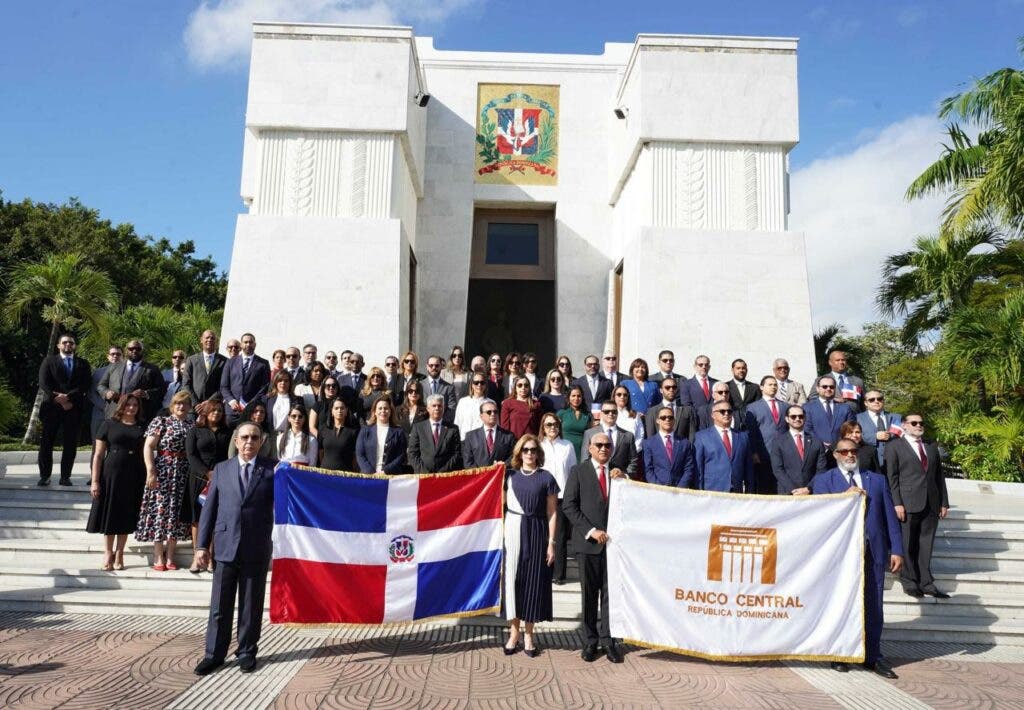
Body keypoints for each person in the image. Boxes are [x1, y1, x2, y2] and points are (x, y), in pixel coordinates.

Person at [811, 438, 903, 679]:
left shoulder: (877, 480)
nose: (850, 455)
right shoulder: (823, 481)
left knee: (874, 605)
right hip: (840, 554)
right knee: (840, 602)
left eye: (853, 451)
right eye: (844, 451)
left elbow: (889, 518)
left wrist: (897, 549)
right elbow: (820, 516)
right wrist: (844, 496)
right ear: (836, 455)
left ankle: (873, 656)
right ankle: (839, 654)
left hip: (873, 551)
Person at [193, 422, 277, 676]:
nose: (249, 442)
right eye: (244, 437)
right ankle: (214, 654)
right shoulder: (221, 469)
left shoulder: (273, 470)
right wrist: (201, 546)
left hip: (256, 546)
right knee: (220, 604)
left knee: (251, 604)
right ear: (236, 441)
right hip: (225, 546)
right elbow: (209, 510)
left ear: (260, 442)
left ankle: (247, 652)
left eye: (254, 437)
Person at [562, 432, 626, 663]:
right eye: (598, 445)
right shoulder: (578, 472)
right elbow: (569, 506)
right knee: (589, 596)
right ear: (589, 448)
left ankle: (609, 642)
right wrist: (591, 531)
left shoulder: (618, 474)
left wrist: (625, 479)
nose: (603, 449)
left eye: (607, 445)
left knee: (610, 597)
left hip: (612, 547)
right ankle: (590, 642)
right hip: (587, 544)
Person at [503, 435, 559, 658]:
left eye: (533, 450)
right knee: (513, 582)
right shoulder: (510, 474)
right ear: (519, 452)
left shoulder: (547, 478)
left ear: (538, 453)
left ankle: (529, 635)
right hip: (514, 529)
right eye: (525, 450)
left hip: (537, 531)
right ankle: (513, 633)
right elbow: (498, 502)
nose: (529, 453)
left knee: (533, 583)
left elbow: (553, 512)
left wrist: (551, 543)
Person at [885, 414, 950, 599]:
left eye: (921, 423)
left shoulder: (930, 446)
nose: (918, 426)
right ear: (904, 425)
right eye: (914, 423)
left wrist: (944, 502)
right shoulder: (894, 447)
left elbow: (939, 476)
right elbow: (892, 478)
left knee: (926, 544)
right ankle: (909, 581)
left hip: (931, 502)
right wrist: (897, 502)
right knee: (908, 543)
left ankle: (926, 582)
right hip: (907, 502)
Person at [86, 394, 145, 570]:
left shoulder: (143, 426)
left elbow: (146, 451)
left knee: (126, 513)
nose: (132, 408)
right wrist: (95, 481)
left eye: (135, 405)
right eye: (128, 405)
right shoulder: (108, 424)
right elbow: (97, 455)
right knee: (110, 512)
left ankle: (120, 552)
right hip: (110, 473)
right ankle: (108, 552)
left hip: (134, 473)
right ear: (121, 406)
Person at [137, 390, 194, 571]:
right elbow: (148, 446)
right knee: (160, 511)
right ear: (172, 405)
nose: (181, 406)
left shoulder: (192, 425)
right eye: (178, 403)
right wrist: (150, 470)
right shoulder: (161, 421)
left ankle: (170, 556)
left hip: (183, 472)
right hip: (163, 470)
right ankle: (157, 555)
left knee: (176, 514)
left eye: (185, 403)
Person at [37, 333, 92, 486]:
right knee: (46, 443)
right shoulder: (49, 361)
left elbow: (86, 384)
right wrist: (59, 398)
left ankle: (65, 477)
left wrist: (69, 398)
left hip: (73, 408)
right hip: (52, 408)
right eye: (65, 342)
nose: (68, 345)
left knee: (70, 444)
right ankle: (45, 476)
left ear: (75, 346)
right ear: (59, 345)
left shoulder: (83, 363)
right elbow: (44, 383)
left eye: (71, 343)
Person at [185, 397, 231, 573]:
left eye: (220, 410)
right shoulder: (195, 431)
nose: (217, 413)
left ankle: (210, 557)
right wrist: (207, 472)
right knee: (197, 519)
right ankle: (197, 557)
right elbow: (191, 455)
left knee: (215, 518)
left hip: (221, 479)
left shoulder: (227, 432)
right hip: (199, 479)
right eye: (214, 410)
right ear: (206, 411)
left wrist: (218, 474)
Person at [538, 412, 577, 584]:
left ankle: (558, 574)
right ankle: (542, 572)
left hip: (561, 496)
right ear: (543, 428)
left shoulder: (567, 446)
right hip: (540, 496)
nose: (552, 427)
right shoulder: (538, 446)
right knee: (542, 535)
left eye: (555, 424)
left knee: (559, 537)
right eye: (548, 425)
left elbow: (573, 472)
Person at [98, 339, 165, 425]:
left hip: (139, 415)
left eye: (138, 349)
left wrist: (146, 393)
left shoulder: (153, 369)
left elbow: (162, 390)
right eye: (131, 348)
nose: (134, 351)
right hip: (114, 412)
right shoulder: (114, 366)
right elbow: (101, 385)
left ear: (142, 351)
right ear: (126, 350)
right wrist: (106, 393)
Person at [693, 401, 754, 493]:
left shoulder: (743, 436)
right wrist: (699, 493)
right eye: (722, 411)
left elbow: (748, 468)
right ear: (713, 415)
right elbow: (698, 469)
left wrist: (749, 493)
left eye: (729, 411)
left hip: (736, 492)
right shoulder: (701, 437)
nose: (726, 414)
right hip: (712, 491)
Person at [768, 405, 827, 495]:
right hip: (788, 494)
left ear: (805, 418)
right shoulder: (778, 442)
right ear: (787, 419)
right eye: (793, 416)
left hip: (811, 493)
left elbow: (821, 469)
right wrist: (793, 490)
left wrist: (808, 488)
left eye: (801, 416)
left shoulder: (816, 442)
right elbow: (778, 469)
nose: (797, 419)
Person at [746, 376, 790, 493]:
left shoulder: (785, 406)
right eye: (770, 384)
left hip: (783, 452)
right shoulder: (752, 407)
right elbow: (751, 432)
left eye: (775, 385)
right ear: (761, 387)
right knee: (764, 486)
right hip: (763, 453)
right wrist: (754, 452)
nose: (773, 387)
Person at [220, 333, 271, 426]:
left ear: (255, 344)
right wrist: (231, 400)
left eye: (250, 342)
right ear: (241, 345)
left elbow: (265, 387)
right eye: (245, 342)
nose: (248, 344)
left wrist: (251, 404)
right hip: (232, 411)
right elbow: (224, 386)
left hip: (252, 411)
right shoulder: (230, 362)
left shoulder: (263, 363)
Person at [580, 401, 638, 477]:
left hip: (619, 481)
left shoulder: (628, 436)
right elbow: (585, 458)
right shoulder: (589, 433)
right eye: (607, 412)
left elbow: (633, 461)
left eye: (614, 411)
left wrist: (624, 475)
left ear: (617, 414)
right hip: (596, 478)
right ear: (601, 414)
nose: (610, 414)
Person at [642, 406, 696, 488]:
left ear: (674, 420)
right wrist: (659, 488)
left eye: (670, 417)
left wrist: (680, 488)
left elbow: (688, 468)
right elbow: (648, 469)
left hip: (679, 491)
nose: (667, 420)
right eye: (663, 418)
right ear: (658, 421)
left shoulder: (684, 443)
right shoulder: (649, 443)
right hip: (658, 491)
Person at [407, 394, 462, 473]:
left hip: (445, 476)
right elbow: (412, 453)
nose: (437, 408)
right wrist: (425, 473)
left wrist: (441, 473)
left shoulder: (452, 429)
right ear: (428, 408)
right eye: (434, 406)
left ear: (443, 408)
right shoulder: (418, 428)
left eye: (439, 406)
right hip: (423, 476)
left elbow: (456, 454)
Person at [356, 398, 408, 473]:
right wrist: (370, 472)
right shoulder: (365, 430)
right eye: (380, 408)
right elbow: (360, 454)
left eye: (386, 408)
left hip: (391, 477)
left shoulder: (399, 432)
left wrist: (386, 471)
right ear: (375, 412)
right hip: (368, 476)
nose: (383, 411)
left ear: (390, 412)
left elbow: (401, 455)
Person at [803, 375, 855, 448]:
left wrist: (840, 444)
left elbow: (850, 429)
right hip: (817, 449)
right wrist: (820, 443)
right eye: (824, 386)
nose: (828, 389)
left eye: (831, 387)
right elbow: (807, 429)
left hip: (841, 450)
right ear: (817, 389)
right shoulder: (807, 407)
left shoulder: (845, 408)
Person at [857, 391, 902, 473]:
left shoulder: (897, 417)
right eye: (872, 400)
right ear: (865, 403)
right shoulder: (858, 418)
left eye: (879, 399)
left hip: (895, 463)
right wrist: (875, 436)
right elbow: (854, 437)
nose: (876, 401)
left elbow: (903, 437)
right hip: (872, 465)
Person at [182, 331, 227, 411]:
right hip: (193, 407)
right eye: (207, 337)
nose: (209, 340)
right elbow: (186, 384)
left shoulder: (224, 361)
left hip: (214, 408)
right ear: (201, 340)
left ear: (216, 341)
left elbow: (224, 385)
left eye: (212, 338)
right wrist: (196, 404)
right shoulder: (191, 360)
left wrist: (210, 402)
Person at [463, 399, 515, 468]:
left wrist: (503, 465)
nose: (493, 414)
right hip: (479, 477)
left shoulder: (508, 436)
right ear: (481, 416)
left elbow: (513, 457)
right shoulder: (470, 436)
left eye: (495, 412)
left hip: (501, 475)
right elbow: (468, 462)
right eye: (489, 412)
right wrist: (483, 474)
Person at [642, 378, 697, 442]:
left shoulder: (687, 410)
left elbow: (692, 435)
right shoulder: (652, 412)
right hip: (660, 450)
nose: (671, 390)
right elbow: (650, 436)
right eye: (667, 387)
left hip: (682, 449)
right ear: (661, 390)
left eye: (674, 387)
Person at [89, 345, 123, 440]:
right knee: (97, 447)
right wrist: (104, 407)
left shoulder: (128, 372)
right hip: (100, 414)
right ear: (108, 356)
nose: (115, 356)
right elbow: (92, 393)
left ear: (122, 356)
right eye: (112, 354)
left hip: (119, 413)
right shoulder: (98, 372)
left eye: (118, 354)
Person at [318, 398, 358, 471]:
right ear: (332, 411)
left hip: (345, 474)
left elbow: (355, 455)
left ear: (346, 411)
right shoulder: (323, 429)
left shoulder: (353, 432)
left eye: (342, 408)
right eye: (336, 408)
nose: (339, 410)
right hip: (325, 472)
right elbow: (320, 451)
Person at [558, 386, 591, 461]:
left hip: (582, 452)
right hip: (565, 451)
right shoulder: (561, 413)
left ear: (582, 398)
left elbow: (590, 435)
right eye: (573, 396)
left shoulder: (587, 415)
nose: (576, 398)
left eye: (579, 396)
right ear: (568, 397)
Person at [453, 375, 489, 439]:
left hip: (483, 441)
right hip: (465, 440)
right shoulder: (463, 402)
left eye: (482, 382)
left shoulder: (491, 403)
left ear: (485, 385)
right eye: (476, 382)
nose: (479, 385)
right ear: (472, 385)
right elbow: (457, 423)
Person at [611, 385, 645, 451]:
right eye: (619, 394)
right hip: (612, 452)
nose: (622, 397)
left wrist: (634, 450)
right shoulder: (608, 413)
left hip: (632, 453)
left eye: (625, 395)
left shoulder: (635, 414)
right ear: (614, 396)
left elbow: (640, 434)